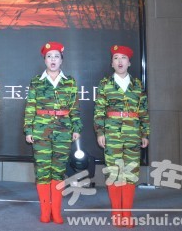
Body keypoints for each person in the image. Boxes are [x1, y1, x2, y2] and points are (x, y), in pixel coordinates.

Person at [24, 42, 81, 224]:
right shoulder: (36, 81)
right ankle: (45, 210)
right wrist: (28, 129)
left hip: (63, 131)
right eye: (49, 56)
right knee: (42, 171)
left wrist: (76, 128)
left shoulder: (70, 82)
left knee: (58, 171)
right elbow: (30, 107)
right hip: (41, 130)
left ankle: (56, 211)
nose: (53, 60)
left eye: (56, 56)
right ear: (45, 60)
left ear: (62, 60)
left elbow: (74, 108)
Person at [94, 45, 149, 228]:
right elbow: (99, 111)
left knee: (130, 173)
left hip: (133, 133)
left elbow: (143, 111)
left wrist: (145, 133)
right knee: (114, 172)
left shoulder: (137, 85)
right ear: (111, 63)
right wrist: (100, 132)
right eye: (116, 58)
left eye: (123, 58)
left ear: (129, 63)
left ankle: (127, 214)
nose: (120, 61)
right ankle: (116, 213)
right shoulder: (105, 84)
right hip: (112, 133)